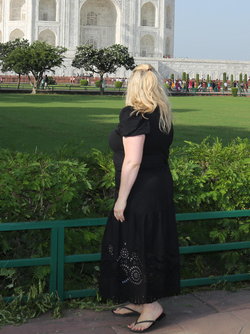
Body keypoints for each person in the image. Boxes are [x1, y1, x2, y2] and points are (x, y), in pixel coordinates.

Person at [100, 64, 179, 332]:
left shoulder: (135, 115)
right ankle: (138, 299)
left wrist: (121, 199)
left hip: (140, 190)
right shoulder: (161, 115)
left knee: (138, 241)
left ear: (133, 86)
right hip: (158, 187)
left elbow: (132, 162)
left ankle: (151, 305)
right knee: (142, 242)